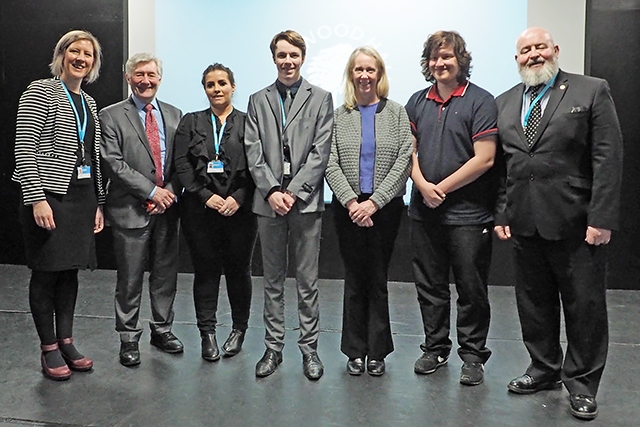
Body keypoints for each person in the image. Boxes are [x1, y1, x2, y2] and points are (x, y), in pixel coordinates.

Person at [494, 27, 623, 420]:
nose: (532, 54)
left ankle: (581, 383)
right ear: (516, 59)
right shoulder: (505, 101)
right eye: (524, 50)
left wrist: (601, 218)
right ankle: (543, 368)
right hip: (524, 221)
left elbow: (608, 158)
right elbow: (505, 167)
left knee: (584, 306)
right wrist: (503, 211)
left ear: (555, 50)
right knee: (533, 303)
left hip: (576, 223)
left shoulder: (590, 90)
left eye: (539, 47)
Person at [406, 31, 498, 386]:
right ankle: (435, 347)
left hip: (469, 214)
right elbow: (408, 152)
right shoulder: (416, 101)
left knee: (471, 288)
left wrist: (439, 188)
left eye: (447, 57)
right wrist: (422, 186)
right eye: (434, 58)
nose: (440, 63)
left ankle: (473, 356)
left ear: (461, 60)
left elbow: (485, 158)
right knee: (429, 286)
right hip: (424, 210)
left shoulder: (480, 101)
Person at [13, 29, 105, 380]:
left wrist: (99, 202)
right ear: (62, 54)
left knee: (69, 271)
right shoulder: (42, 89)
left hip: (81, 198)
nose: (81, 58)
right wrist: (36, 199)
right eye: (75, 51)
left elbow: (91, 157)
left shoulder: (89, 102)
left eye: (88, 54)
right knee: (46, 271)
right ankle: (48, 347)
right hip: (49, 195)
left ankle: (66, 340)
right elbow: (25, 148)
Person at [245, 30, 333, 380]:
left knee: (308, 281)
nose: (288, 61)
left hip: (305, 202)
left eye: (293, 55)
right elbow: (253, 151)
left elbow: (320, 152)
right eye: (281, 55)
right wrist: (271, 191)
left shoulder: (321, 98)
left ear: (302, 57)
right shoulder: (257, 99)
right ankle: (273, 347)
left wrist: (292, 192)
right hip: (268, 204)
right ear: (273, 58)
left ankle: (309, 349)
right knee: (273, 280)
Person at [326, 46, 412, 377]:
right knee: (354, 278)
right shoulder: (338, 115)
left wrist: (375, 202)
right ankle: (354, 349)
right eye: (358, 70)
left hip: (385, 209)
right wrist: (351, 201)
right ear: (351, 74)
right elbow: (329, 161)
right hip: (347, 208)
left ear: (379, 74)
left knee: (377, 277)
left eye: (370, 70)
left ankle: (377, 351)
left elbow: (405, 159)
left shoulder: (397, 113)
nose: (364, 75)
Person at [100, 53, 183, 367]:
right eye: (139, 75)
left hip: (168, 209)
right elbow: (113, 162)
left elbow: (183, 163)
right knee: (130, 278)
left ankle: (162, 330)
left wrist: (169, 193)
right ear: (128, 78)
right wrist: (151, 192)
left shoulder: (175, 115)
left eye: (151, 74)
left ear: (160, 78)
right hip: (129, 209)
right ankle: (128, 337)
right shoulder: (110, 116)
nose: (145, 80)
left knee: (165, 276)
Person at [173, 64, 257, 362]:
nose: (217, 89)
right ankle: (207, 333)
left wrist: (239, 197)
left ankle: (238, 330)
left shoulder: (250, 123)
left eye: (222, 83)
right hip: (200, 211)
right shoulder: (191, 122)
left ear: (233, 87)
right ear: (205, 89)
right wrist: (205, 196)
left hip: (240, 212)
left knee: (238, 271)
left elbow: (258, 166)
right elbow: (181, 165)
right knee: (205, 271)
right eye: (210, 84)